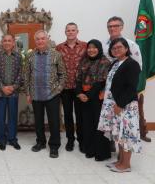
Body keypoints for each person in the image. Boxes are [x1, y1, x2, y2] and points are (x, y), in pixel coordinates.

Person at [98, 38, 141, 173]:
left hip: (125, 106)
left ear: (126, 48)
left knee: (127, 134)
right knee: (119, 134)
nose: (116, 50)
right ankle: (120, 160)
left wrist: (120, 104)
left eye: (119, 47)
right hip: (114, 104)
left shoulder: (132, 64)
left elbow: (131, 87)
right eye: (114, 48)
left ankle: (126, 165)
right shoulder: (116, 63)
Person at [24, 30, 66, 158]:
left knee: (54, 121)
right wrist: (28, 93)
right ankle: (40, 142)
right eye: (38, 39)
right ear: (35, 41)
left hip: (52, 94)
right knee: (38, 121)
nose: (40, 41)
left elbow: (62, 74)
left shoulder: (56, 55)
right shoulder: (30, 56)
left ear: (47, 39)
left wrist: (58, 89)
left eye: (43, 38)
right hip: (36, 94)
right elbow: (27, 76)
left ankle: (54, 146)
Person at [75, 39, 111, 161]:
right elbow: (78, 78)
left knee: (98, 124)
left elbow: (101, 81)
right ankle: (89, 149)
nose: (91, 50)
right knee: (86, 124)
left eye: (94, 47)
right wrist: (80, 93)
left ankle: (100, 152)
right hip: (84, 97)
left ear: (99, 48)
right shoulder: (84, 60)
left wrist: (88, 95)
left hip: (97, 98)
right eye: (89, 47)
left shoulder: (105, 61)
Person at [56, 23, 87, 152]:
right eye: (68, 30)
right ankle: (70, 139)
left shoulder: (86, 46)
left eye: (73, 30)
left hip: (80, 87)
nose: (70, 32)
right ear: (65, 32)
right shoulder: (58, 48)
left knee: (80, 115)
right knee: (68, 115)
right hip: (65, 87)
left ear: (77, 31)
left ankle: (82, 140)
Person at [0, 34, 22, 151]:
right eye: (5, 41)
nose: (7, 43)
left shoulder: (18, 57)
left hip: (13, 92)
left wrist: (13, 87)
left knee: (13, 116)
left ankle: (12, 139)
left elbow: (21, 73)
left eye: (9, 40)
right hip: (0, 92)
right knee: (0, 117)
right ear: (2, 42)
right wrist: (2, 87)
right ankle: (2, 139)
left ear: (13, 42)